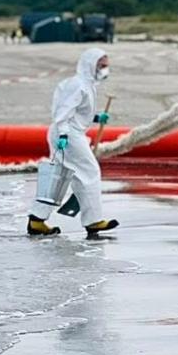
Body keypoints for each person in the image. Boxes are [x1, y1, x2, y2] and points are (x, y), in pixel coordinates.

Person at [28, 48, 121, 239]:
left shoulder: (87, 85)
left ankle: (37, 220)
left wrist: (95, 117)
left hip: (70, 132)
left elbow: (78, 112)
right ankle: (93, 220)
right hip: (68, 134)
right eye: (102, 66)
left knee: (59, 176)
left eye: (106, 66)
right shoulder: (77, 85)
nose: (105, 70)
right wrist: (63, 134)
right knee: (89, 171)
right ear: (90, 64)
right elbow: (63, 112)